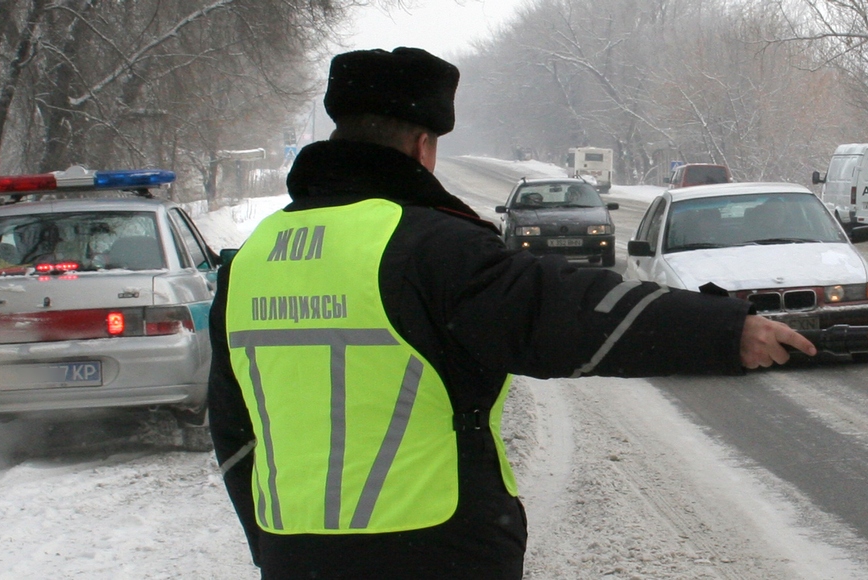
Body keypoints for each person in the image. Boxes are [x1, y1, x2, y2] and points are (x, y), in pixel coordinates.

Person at [208, 47, 815, 580]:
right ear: (423, 145)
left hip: (295, 555)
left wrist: (269, 543)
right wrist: (724, 330)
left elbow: (233, 429)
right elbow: (570, 314)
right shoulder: (425, 245)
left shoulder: (252, 259)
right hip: (435, 548)